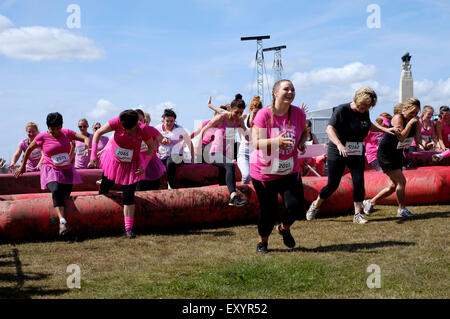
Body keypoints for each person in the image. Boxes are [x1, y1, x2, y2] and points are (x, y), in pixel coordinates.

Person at [305, 87, 398, 224]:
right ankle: (316, 204)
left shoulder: (365, 111)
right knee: (333, 184)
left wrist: (386, 129)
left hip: (356, 150)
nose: (366, 109)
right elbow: (329, 128)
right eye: (364, 106)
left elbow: (368, 125)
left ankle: (357, 215)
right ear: (358, 100)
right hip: (338, 149)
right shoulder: (342, 110)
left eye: (368, 107)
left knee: (359, 181)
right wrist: (338, 144)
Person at [250, 79, 308, 253]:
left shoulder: (298, 113)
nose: (290, 92)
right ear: (275, 93)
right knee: (268, 212)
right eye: (286, 89)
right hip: (265, 173)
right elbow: (256, 143)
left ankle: (284, 228)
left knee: (297, 207)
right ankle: (263, 243)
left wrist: (301, 143)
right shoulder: (263, 115)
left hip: (289, 171)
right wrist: (277, 141)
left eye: (293, 89)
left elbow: (304, 132)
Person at [14, 112, 90, 235]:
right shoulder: (42, 137)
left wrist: (87, 146)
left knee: (65, 194)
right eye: (52, 129)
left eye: (58, 128)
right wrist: (22, 166)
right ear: (48, 127)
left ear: (61, 126)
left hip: (66, 170)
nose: (55, 131)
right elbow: (28, 150)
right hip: (50, 169)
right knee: (55, 189)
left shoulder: (67, 133)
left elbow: (85, 138)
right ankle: (62, 221)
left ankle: (66, 221)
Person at [88, 109, 157, 238]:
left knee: (129, 194)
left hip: (132, 164)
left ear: (136, 124)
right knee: (106, 185)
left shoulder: (144, 130)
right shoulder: (116, 122)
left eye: (128, 129)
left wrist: (144, 164)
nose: (126, 131)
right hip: (113, 161)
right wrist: (93, 155)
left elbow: (151, 147)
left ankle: (128, 229)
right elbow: (98, 133)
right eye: (124, 128)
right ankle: (101, 194)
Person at [363, 98, 422, 218]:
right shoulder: (398, 118)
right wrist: (410, 124)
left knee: (393, 186)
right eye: (412, 112)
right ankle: (401, 210)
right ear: (405, 109)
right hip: (386, 154)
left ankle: (370, 202)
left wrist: (424, 145)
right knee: (402, 181)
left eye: (416, 113)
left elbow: (418, 139)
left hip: (397, 153)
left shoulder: (415, 121)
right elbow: (401, 138)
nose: (414, 115)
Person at [199, 94, 249, 206]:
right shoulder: (222, 117)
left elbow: (247, 135)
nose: (238, 115)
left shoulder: (239, 120)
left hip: (225, 154)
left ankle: (227, 202)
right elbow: (204, 130)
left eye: (241, 113)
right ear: (230, 109)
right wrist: (198, 148)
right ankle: (234, 197)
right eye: (236, 112)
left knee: (223, 179)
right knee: (230, 165)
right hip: (212, 153)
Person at [155, 108, 194, 189]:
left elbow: (189, 143)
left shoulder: (179, 129)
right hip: (162, 155)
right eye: (167, 121)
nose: (169, 123)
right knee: (155, 165)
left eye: (171, 121)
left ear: (174, 121)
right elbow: (153, 142)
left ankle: (171, 186)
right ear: (163, 120)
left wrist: (193, 159)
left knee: (170, 162)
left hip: (176, 156)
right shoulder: (157, 129)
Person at [134, 109, 165, 191]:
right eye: (136, 120)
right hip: (139, 165)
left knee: (154, 188)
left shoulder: (150, 129)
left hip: (152, 164)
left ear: (144, 120)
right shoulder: (130, 132)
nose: (138, 122)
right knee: (140, 189)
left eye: (140, 120)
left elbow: (161, 138)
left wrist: (164, 140)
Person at [236, 96, 263, 184]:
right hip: (244, 153)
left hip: (256, 154)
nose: (256, 116)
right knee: (246, 176)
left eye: (259, 114)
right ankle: (240, 196)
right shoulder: (243, 118)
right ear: (250, 111)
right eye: (255, 113)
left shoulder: (263, 121)